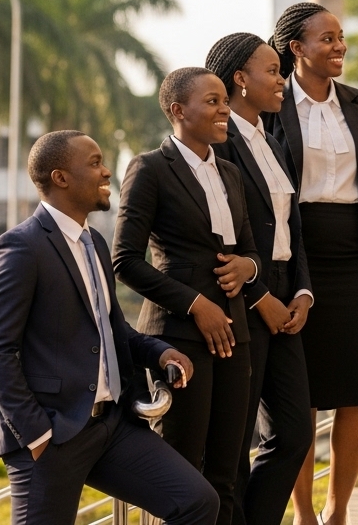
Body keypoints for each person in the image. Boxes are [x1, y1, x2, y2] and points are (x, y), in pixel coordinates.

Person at [0, 130, 217, 525]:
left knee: (197, 501)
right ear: (60, 178)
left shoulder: (95, 243)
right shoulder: (21, 246)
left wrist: (159, 352)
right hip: (52, 434)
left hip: (111, 427)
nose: (106, 171)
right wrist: (37, 435)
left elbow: (112, 328)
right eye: (94, 163)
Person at [266, 3, 358, 525]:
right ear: (296, 48)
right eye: (327, 38)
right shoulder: (273, 104)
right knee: (300, 397)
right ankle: (302, 513)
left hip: (354, 258)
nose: (339, 46)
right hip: (295, 256)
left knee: (357, 391)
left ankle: (337, 510)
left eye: (341, 36)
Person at [114, 67, 263, 525]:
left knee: (227, 473)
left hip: (234, 335)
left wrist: (249, 267)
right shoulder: (150, 168)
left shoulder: (231, 172)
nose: (224, 109)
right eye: (213, 101)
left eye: (225, 101)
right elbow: (125, 259)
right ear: (178, 110)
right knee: (182, 472)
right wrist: (196, 305)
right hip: (179, 336)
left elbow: (250, 250)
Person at [206, 33, 315, 525]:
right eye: (272, 70)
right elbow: (220, 237)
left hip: (287, 296)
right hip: (243, 298)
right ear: (240, 79)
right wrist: (259, 296)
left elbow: (292, 225)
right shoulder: (218, 143)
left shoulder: (271, 142)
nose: (282, 79)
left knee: (294, 433)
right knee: (234, 440)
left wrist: (303, 291)